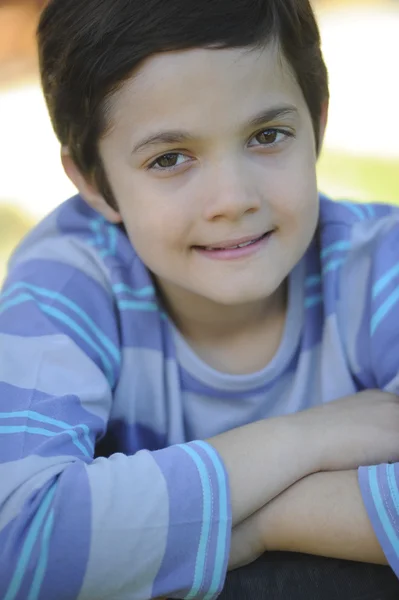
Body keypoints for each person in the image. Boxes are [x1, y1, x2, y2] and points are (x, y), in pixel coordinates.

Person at [1, 0, 399, 598]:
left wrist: (242, 526)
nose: (232, 198)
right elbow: (19, 540)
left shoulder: (378, 265)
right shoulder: (68, 280)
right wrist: (306, 439)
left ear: (316, 122)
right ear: (92, 180)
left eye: (267, 135)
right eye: (169, 158)